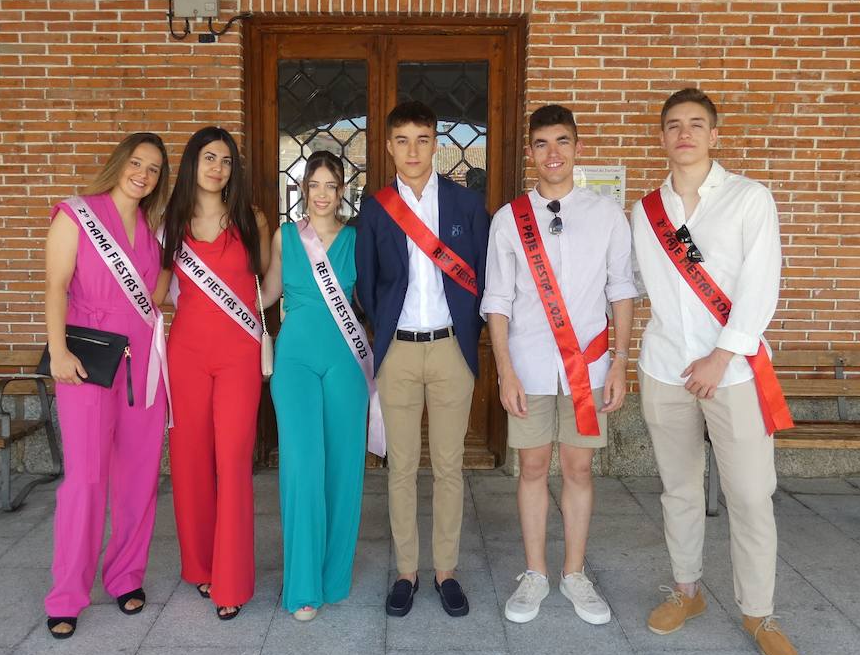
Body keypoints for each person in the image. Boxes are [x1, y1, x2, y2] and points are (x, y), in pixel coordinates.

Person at [630, 87, 799, 655]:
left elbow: (762, 285)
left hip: (732, 372)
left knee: (750, 495)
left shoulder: (750, 199)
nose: (685, 134)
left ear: (715, 135)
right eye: (674, 125)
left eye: (696, 125)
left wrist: (721, 356)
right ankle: (687, 590)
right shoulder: (646, 209)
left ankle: (759, 612)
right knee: (678, 489)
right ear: (662, 137)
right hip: (664, 365)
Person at [482, 105, 637, 625]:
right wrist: (504, 370)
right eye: (543, 143)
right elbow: (497, 299)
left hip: (587, 369)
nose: (553, 153)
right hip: (528, 366)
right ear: (529, 152)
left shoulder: (608, 215)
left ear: (578, 148)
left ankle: (574, 573)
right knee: (529, 467)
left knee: (577, 468)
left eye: (563, 142)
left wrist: (620, 363)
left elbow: (621, 290)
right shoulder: (509, 219)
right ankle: (535, 573)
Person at [356, 101, 490, 618]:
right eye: (402, 140)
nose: (413, 150)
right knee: (402, 468)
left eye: (422, 138)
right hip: (399, 353)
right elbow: (367, 283)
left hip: (451, 348)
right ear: (389, 146)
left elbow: (481, 274)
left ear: (436, 143)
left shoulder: (465, 204)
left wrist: (469, 334)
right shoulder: (376, 207)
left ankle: (446, 571)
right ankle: (407, 572)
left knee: (451, 467)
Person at [44, 132, 172, 639]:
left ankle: (125, 577)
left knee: (139, 475)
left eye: (155, 169)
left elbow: (158, 293)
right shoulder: (75, 214)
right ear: (119, 163)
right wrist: (57, 351)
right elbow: (55, 285)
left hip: (142, 361)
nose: (143, 173)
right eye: (136, 162)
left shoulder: (154, 229)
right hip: (86, 359)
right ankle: (67, 594)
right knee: (87, 477)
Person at [160, 127, 270, 621]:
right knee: (189, 460)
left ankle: (231, 580)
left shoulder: (252, 221)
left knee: (232, 461)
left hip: (238, 356)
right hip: (185, 352)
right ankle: (201, 566)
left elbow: (265, 288)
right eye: (209, 158)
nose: (218, 168)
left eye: (226, 161)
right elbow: (156, 293)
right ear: (192, 164)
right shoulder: (171, 224)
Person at [261, 150, 375, 622]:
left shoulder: (355, 239)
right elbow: (265, 293)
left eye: (332, 185)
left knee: (344, 469)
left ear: (342, 190)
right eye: (315, 185)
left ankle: (334, 576)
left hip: (347, 362)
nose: (323, 194)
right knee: (303, 467)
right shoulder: (286, 237)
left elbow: (373, 297)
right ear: (304, 189)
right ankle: (303, 584)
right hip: (296, 363)